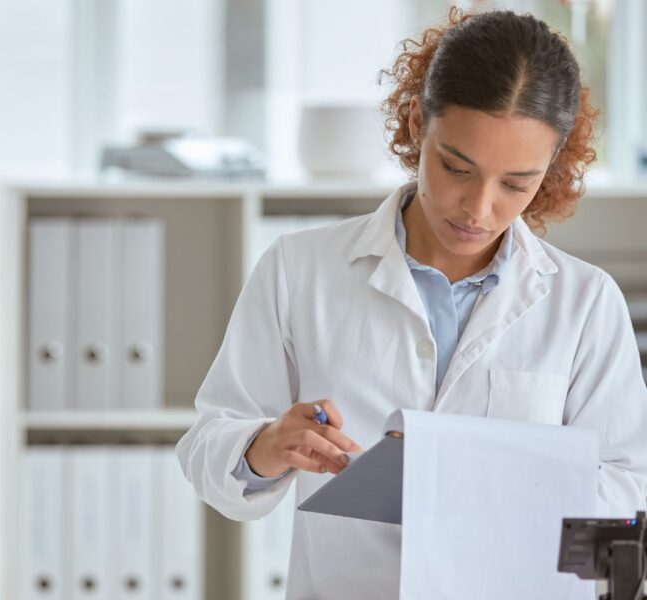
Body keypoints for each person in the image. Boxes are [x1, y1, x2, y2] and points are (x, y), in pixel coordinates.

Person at [175, 8, 647, 599]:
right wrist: (263, 448)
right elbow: (208, 445)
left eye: (515, 184)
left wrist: (471, 479)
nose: (478, 207)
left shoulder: (586, 303)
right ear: (416, 121)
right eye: (456, 166)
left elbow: (628, 499)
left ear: (551, 166)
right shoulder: (300, 268)